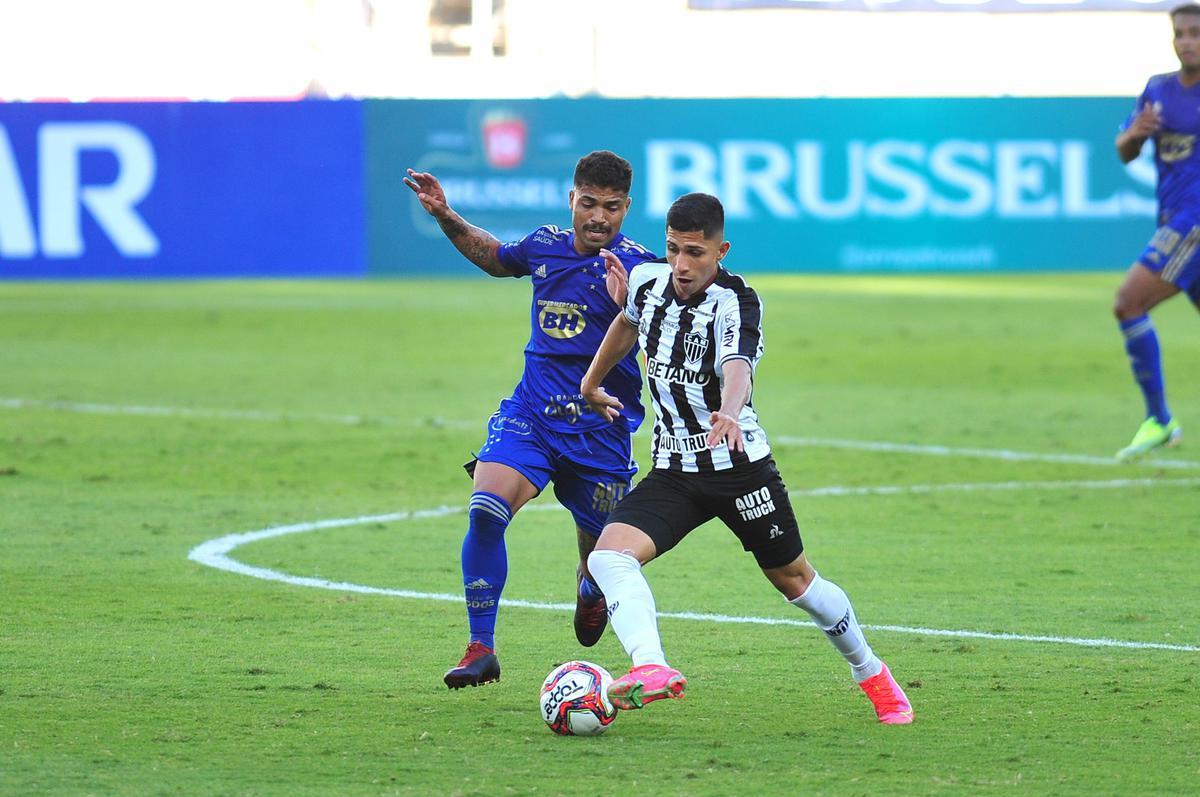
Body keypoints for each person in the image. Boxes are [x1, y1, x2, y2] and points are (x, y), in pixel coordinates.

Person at [579, 192, 913, 724]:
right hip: (674, 471)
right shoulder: (646, 281)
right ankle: (651, 668)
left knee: (797, 583)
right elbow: (627, 321)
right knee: (607, 556)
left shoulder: (737, 301)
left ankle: (871, 672)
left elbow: (737, 363)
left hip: (738, 465)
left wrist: (729, 411)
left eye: (695, 252)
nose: (682, 266)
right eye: (673, 250)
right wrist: (591, 382)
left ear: (720, 250)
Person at [404, 151, 657, 689]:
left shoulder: (642, 269)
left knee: (600, 563)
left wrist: (631, 303)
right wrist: (446, 215)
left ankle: (589, 591)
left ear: (626, 208)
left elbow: (670, 335)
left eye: (611, 208)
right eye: (588, 203)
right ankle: (481, 648)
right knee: (485, 510)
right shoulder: (544, 245)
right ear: (572, 199)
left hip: (601, 430)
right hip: (532, 416)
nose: (598, 218)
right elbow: (494, 256)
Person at [1112, 2, 1200, 461]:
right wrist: (1136, 134)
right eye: (1180, 33)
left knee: (1129, 302)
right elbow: (1125, 150)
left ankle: (1160, 420)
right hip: (1174, 218)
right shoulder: (1159, 89)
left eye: (1195, 33)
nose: (1187, 41)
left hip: (1195, 222)